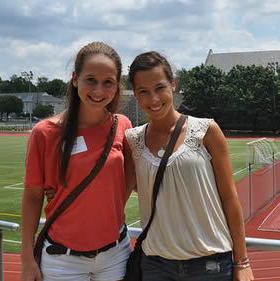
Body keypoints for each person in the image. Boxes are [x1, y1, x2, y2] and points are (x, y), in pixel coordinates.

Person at [124, 51, 254, 281]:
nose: (153, 99)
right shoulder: (132, 140)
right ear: (135, 94)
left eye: (160, 87)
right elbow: (118, 187)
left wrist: (242, 261)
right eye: (143, 91)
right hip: (156, 266)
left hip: (210, 264)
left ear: (173, 84)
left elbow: (229, 198)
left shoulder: (207, 131)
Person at [21, 41, 134, 281]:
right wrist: (27, 258)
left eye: (108, 82)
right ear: (75, 79)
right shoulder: (45, 132)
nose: (99, 90)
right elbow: (32, 197)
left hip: (115, 255)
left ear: (117, 86)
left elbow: (129, 181)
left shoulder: (122, 125)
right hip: (62, 261)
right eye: (90, 80)